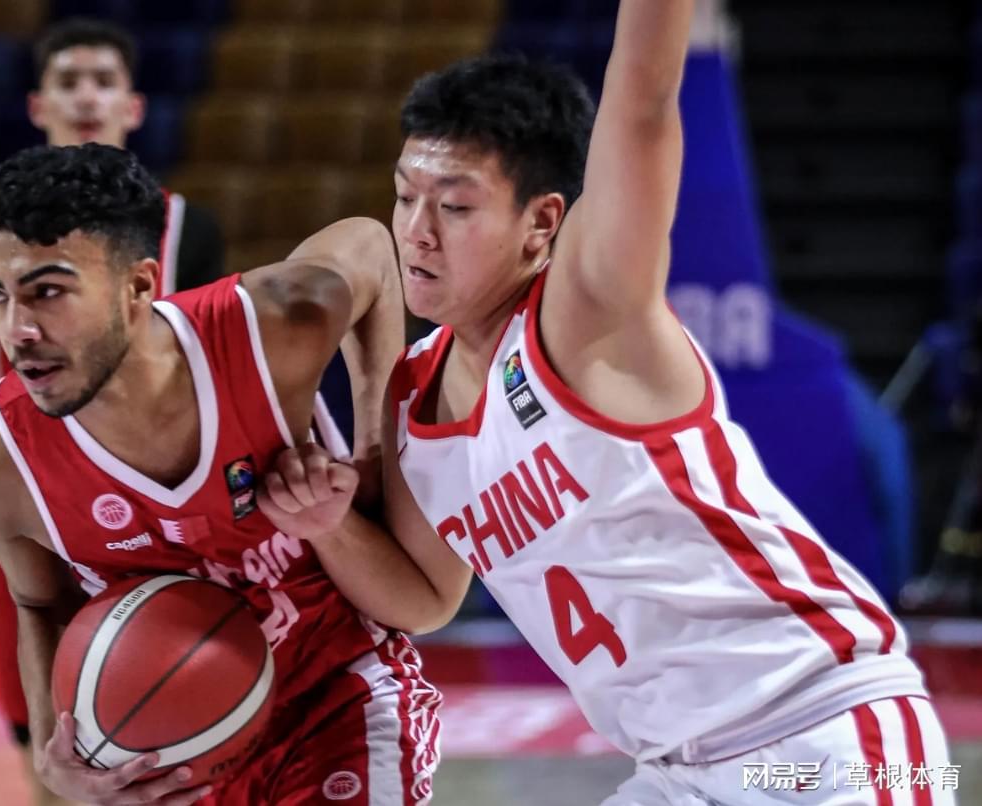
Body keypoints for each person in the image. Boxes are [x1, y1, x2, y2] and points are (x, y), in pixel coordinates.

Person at [256, 2, 957, 804]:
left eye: (453, 206)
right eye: (404, 196)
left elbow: (644, 102)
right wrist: (327, 524)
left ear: (540, 222)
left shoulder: (584, 312)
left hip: (817, 733)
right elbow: (422, 596)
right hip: (673, 771)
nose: (416, 230)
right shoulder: (414, 397)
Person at [0, 143, 440, 806]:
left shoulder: (267, 330)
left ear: (139, 286)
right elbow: (40, 602)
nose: (17, 329)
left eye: (48, 292)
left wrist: (374, 457)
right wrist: (51, 746)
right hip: (172, 760)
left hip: (337, 691)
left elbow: (371, 248)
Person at [0, 19, 225, 806]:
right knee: (48, 742)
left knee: (180, 731)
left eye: (102, 81)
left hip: (149, 506)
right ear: (38, 104)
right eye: (69, 81)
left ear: (133, 107)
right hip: (37, 503)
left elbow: (205, 363)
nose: (86, 97)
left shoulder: (186, 227)